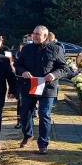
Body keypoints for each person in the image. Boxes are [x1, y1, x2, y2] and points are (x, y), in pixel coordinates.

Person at [15, 25, 67, 154]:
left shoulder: (56, 49)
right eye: (34, 33)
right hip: (29, 86)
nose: (35, 36)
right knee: (25, 113)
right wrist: (24, 72)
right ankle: (27, 135)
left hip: (47, 88)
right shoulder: (27, 49)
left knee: (44, 115)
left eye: (38, 34)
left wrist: (54, 75)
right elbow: (18, 65)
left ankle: (43, 143)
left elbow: (64, 68)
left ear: (45, 36)